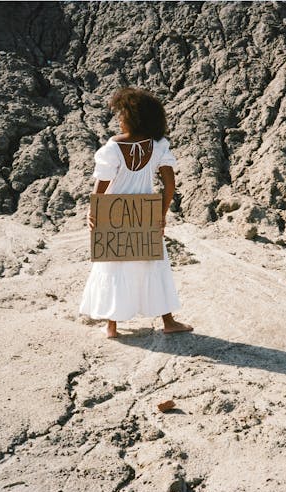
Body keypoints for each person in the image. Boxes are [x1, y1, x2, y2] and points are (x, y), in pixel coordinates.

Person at [79, 87, 194, 338]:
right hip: (144, 211)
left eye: (122, 114)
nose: (119, 119)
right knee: (155, 264)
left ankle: (111, 326)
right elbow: (169, 183)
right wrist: (161, 214)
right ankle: (168, 321)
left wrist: (93, 210)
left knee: (113, 266)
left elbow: (102, 183)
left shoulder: (113, 147)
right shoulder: (159, 146)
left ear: (133, 117)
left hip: (114, 211)